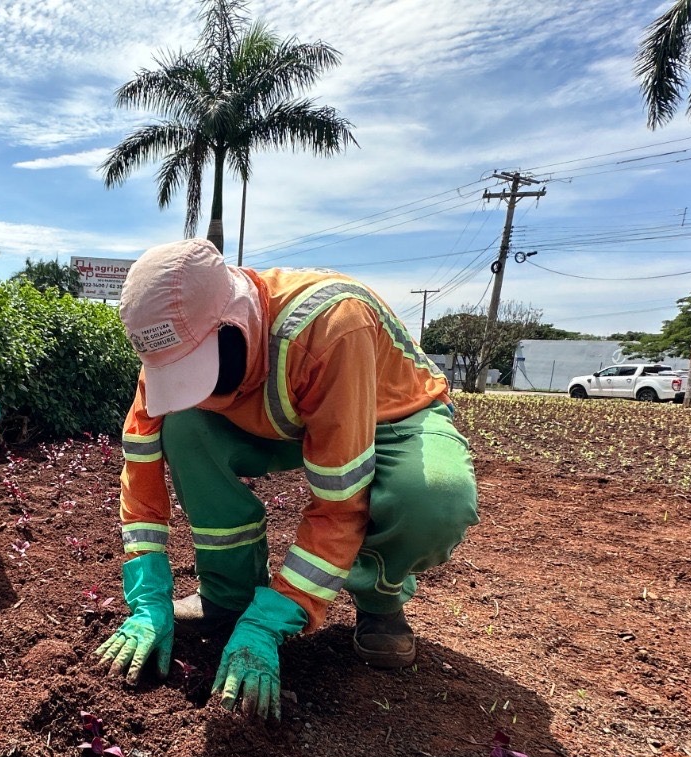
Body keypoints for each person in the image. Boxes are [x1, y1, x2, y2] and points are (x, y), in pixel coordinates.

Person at [94, 239, 479, 719]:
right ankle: (228, 596)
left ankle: (380, 599)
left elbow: (340, 503)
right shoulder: (173, 338)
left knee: (433, 498)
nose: (199, 393)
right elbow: (141, 465)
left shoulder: (333, 325)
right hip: (283, 411)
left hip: (389, 412)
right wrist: (148, 596)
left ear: (234, 322)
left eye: (201, 372)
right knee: (184, 424)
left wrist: (275, 617)